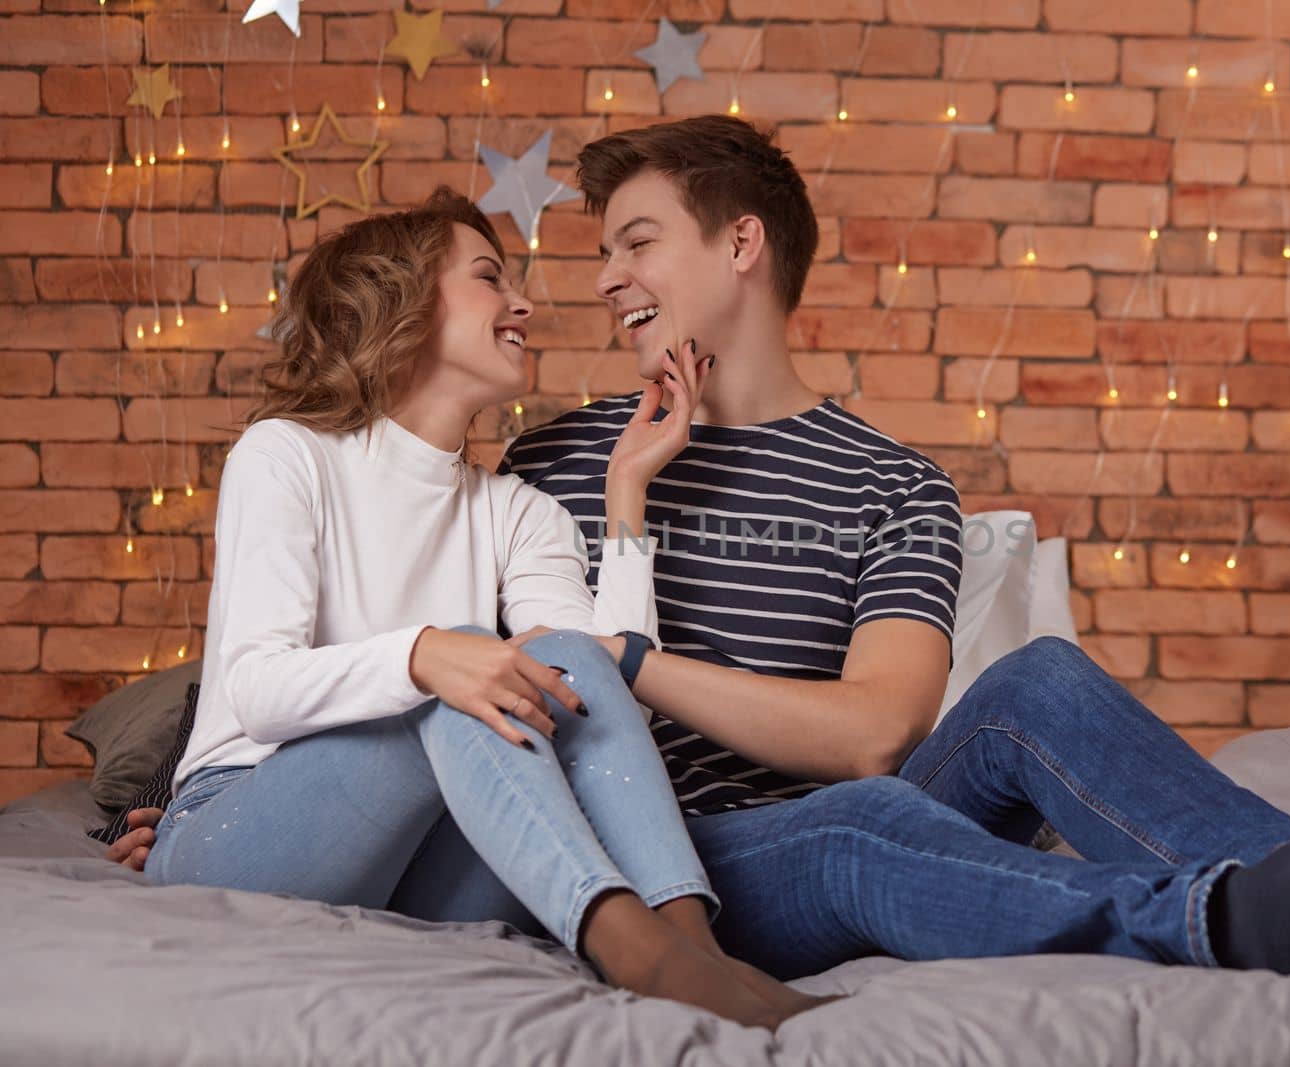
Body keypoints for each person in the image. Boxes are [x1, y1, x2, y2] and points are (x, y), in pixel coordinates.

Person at [114, 116, 1290, 982]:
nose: (597, 280)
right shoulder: (552, 457)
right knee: (864, 824)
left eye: (635, 240)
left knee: (1033, 684)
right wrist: (185, 785)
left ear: (739, 244)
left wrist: (632, 654)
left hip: (841, 784)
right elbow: (378, 635)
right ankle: (1222, 915)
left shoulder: (896, 484)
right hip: (674, 831)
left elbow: (875, 730)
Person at [136, 189, 833, 1029]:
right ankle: (638, 953)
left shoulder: (518, 511)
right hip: (241, 829)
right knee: (469, 663)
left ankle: (689, 943)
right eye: (489, 278)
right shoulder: (287, 456)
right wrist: (428, 653)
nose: (524, 303)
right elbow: (258, 689)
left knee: (558, 656)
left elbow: (598, 671)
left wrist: (626, 494)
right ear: (401, 302)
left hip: (418, 864)